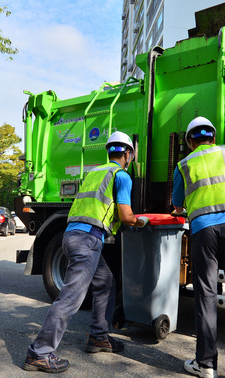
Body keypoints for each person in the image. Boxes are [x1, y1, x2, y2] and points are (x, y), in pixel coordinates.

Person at [23, 131, 148, 373]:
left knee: (105, 281)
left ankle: (98, 337)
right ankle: (39, 352)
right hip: (88, 239)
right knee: (71, 297)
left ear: (109, 151)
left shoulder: (95, 172)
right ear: (128, 154)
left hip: (72, 234)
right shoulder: (121, 176)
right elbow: (126, 216)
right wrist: (141, 221)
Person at [172, 117, 225, 378]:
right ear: (212, 135)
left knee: (206, 296)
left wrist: (183, 208)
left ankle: (206, 365)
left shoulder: (183, 164)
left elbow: (178, 202)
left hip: (202, 233)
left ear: (190, 141)